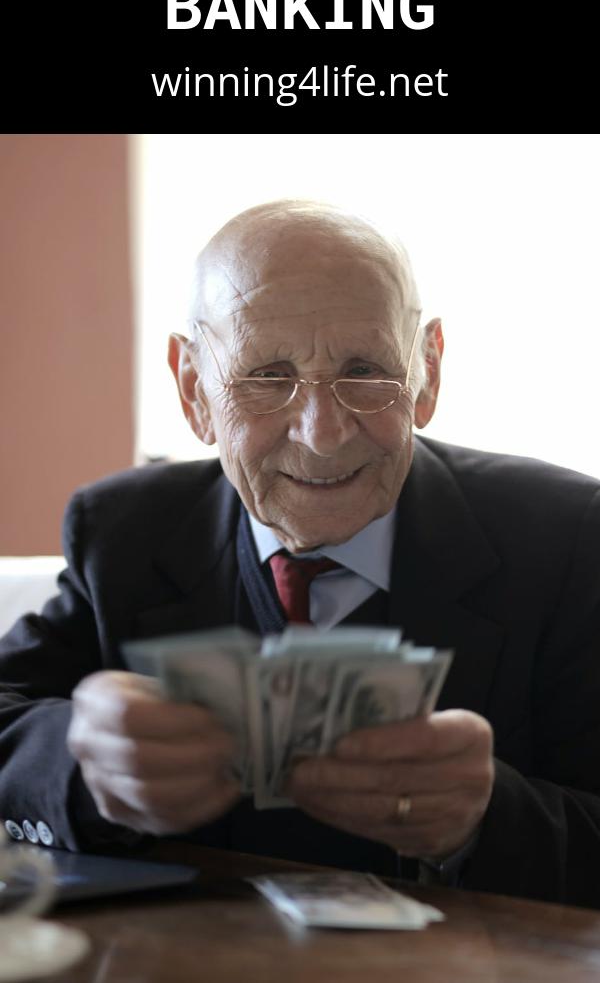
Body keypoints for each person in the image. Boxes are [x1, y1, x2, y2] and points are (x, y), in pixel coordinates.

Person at [1, 200, 599, 907]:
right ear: (194, 391)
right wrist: (86, 762)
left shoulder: (567, 538)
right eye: (266, 375)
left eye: (365, 370)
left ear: (428, 372)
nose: (321, 432)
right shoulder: (127, 533)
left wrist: (485, 819)